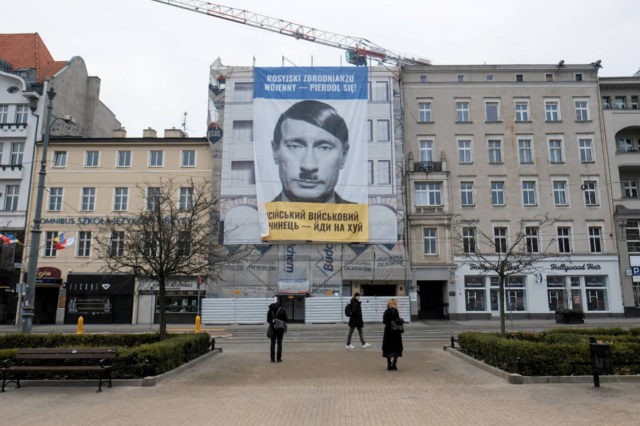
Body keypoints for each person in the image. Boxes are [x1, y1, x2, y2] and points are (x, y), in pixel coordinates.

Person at [271, 100, 354, 204]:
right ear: (275, 151)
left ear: (344, 155)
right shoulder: (261, 216)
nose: (308, 166)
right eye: (295, 146)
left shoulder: (361, 217)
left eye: (324, 148)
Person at [382, 298, 404, 370]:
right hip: (396, 332)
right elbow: (397, 321)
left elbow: (384, 321)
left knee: (388, 348)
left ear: (389, 303)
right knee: (396, 348)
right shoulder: (396, 311)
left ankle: (389, 364)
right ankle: (394, 363)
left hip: (388, 331)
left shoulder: (387, 311)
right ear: (395, 304)